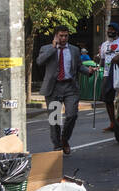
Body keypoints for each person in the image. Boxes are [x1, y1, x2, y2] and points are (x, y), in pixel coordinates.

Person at [37, 26, 94, 154]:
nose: (63, 38)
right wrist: (53, 47)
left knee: (72, 115)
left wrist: (88, 71)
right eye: (61, 36)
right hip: (54, 88)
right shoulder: (46, 48)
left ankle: (64, 139)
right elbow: (40, 61)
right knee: (55, 119)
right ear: (56, 36)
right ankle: (57, 145)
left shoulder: (74, 50)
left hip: (70, 87)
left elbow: (79, 66)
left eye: (66, 36)